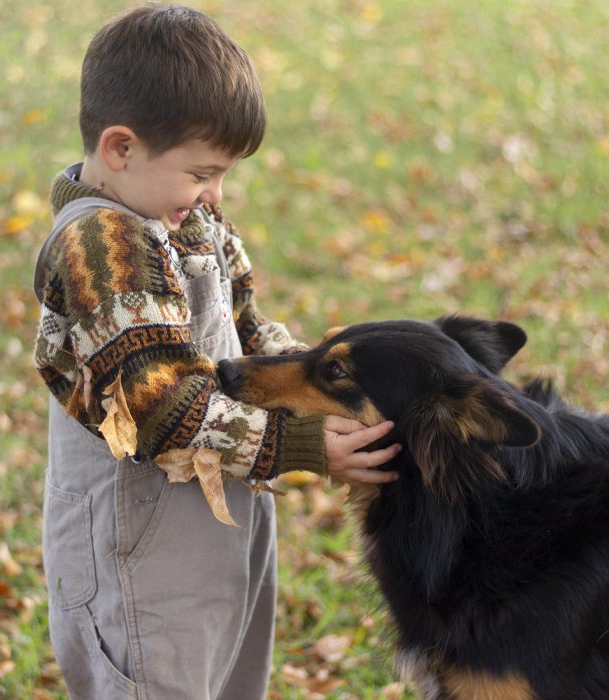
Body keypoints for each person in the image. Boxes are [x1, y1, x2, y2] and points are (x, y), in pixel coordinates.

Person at [32, 5, 400, 698]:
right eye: (202, 172)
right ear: (120, 148)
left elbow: (249, 330)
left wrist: (322, 384)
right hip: (137, 541)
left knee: (228, 675)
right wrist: (305, 445)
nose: (214, 194)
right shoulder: (99, 248)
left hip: (220, 516)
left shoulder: (186, 219)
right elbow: (157, 408)